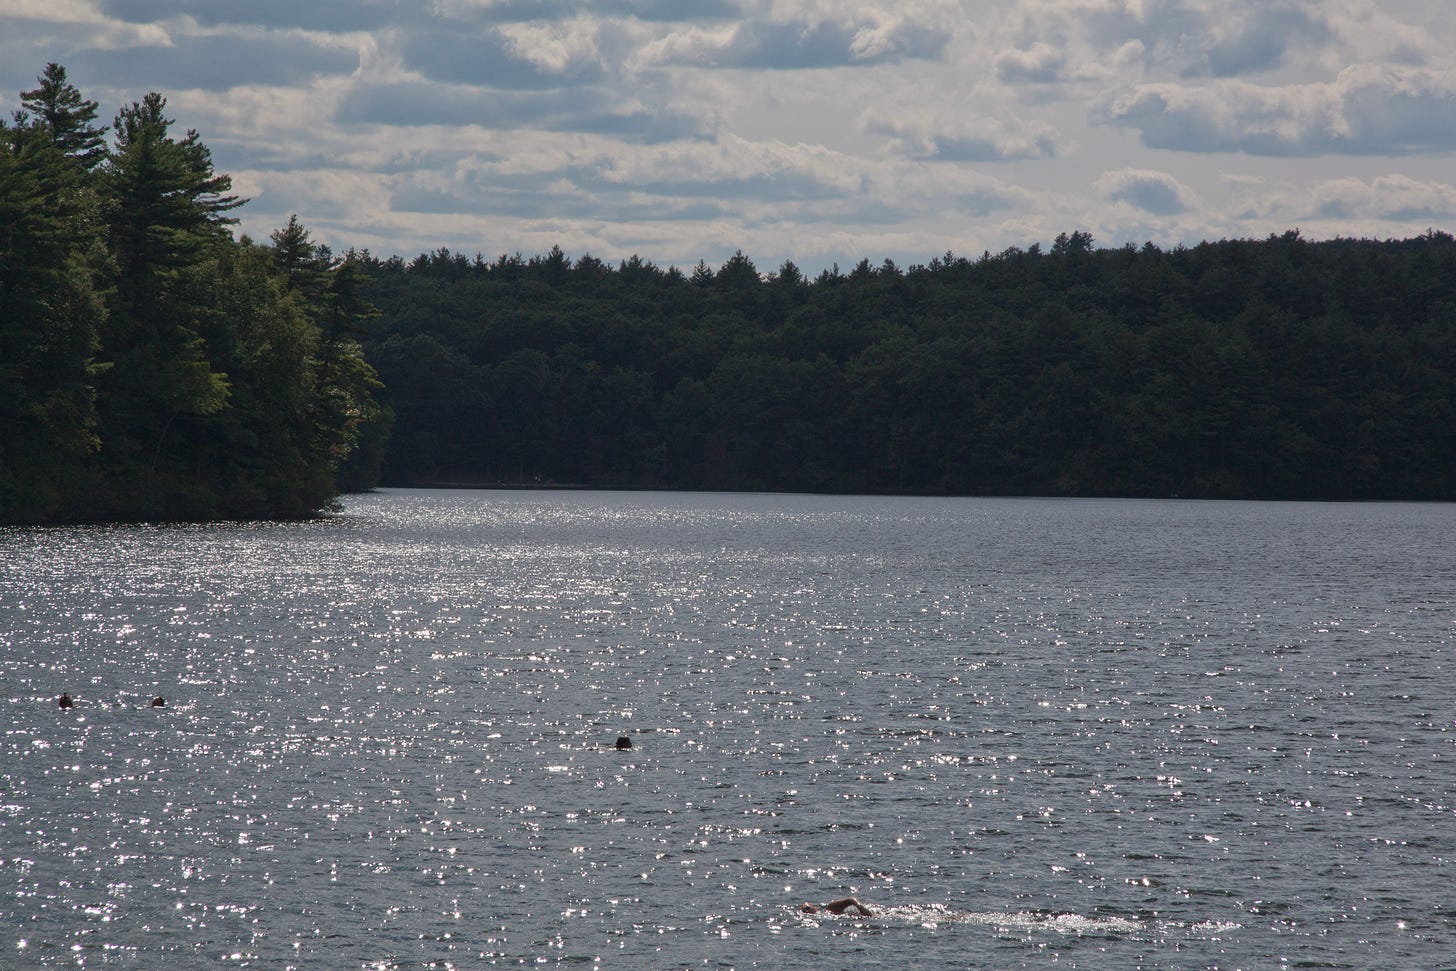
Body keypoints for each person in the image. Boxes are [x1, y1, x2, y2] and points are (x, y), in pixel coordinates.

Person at [800, 896, 873, 916]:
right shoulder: (826, 914)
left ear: (814, 907)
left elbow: (851, 900)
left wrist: (861, 908)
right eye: (806, 911)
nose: (808, 911)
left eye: (808, 908)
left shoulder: (830, 908)